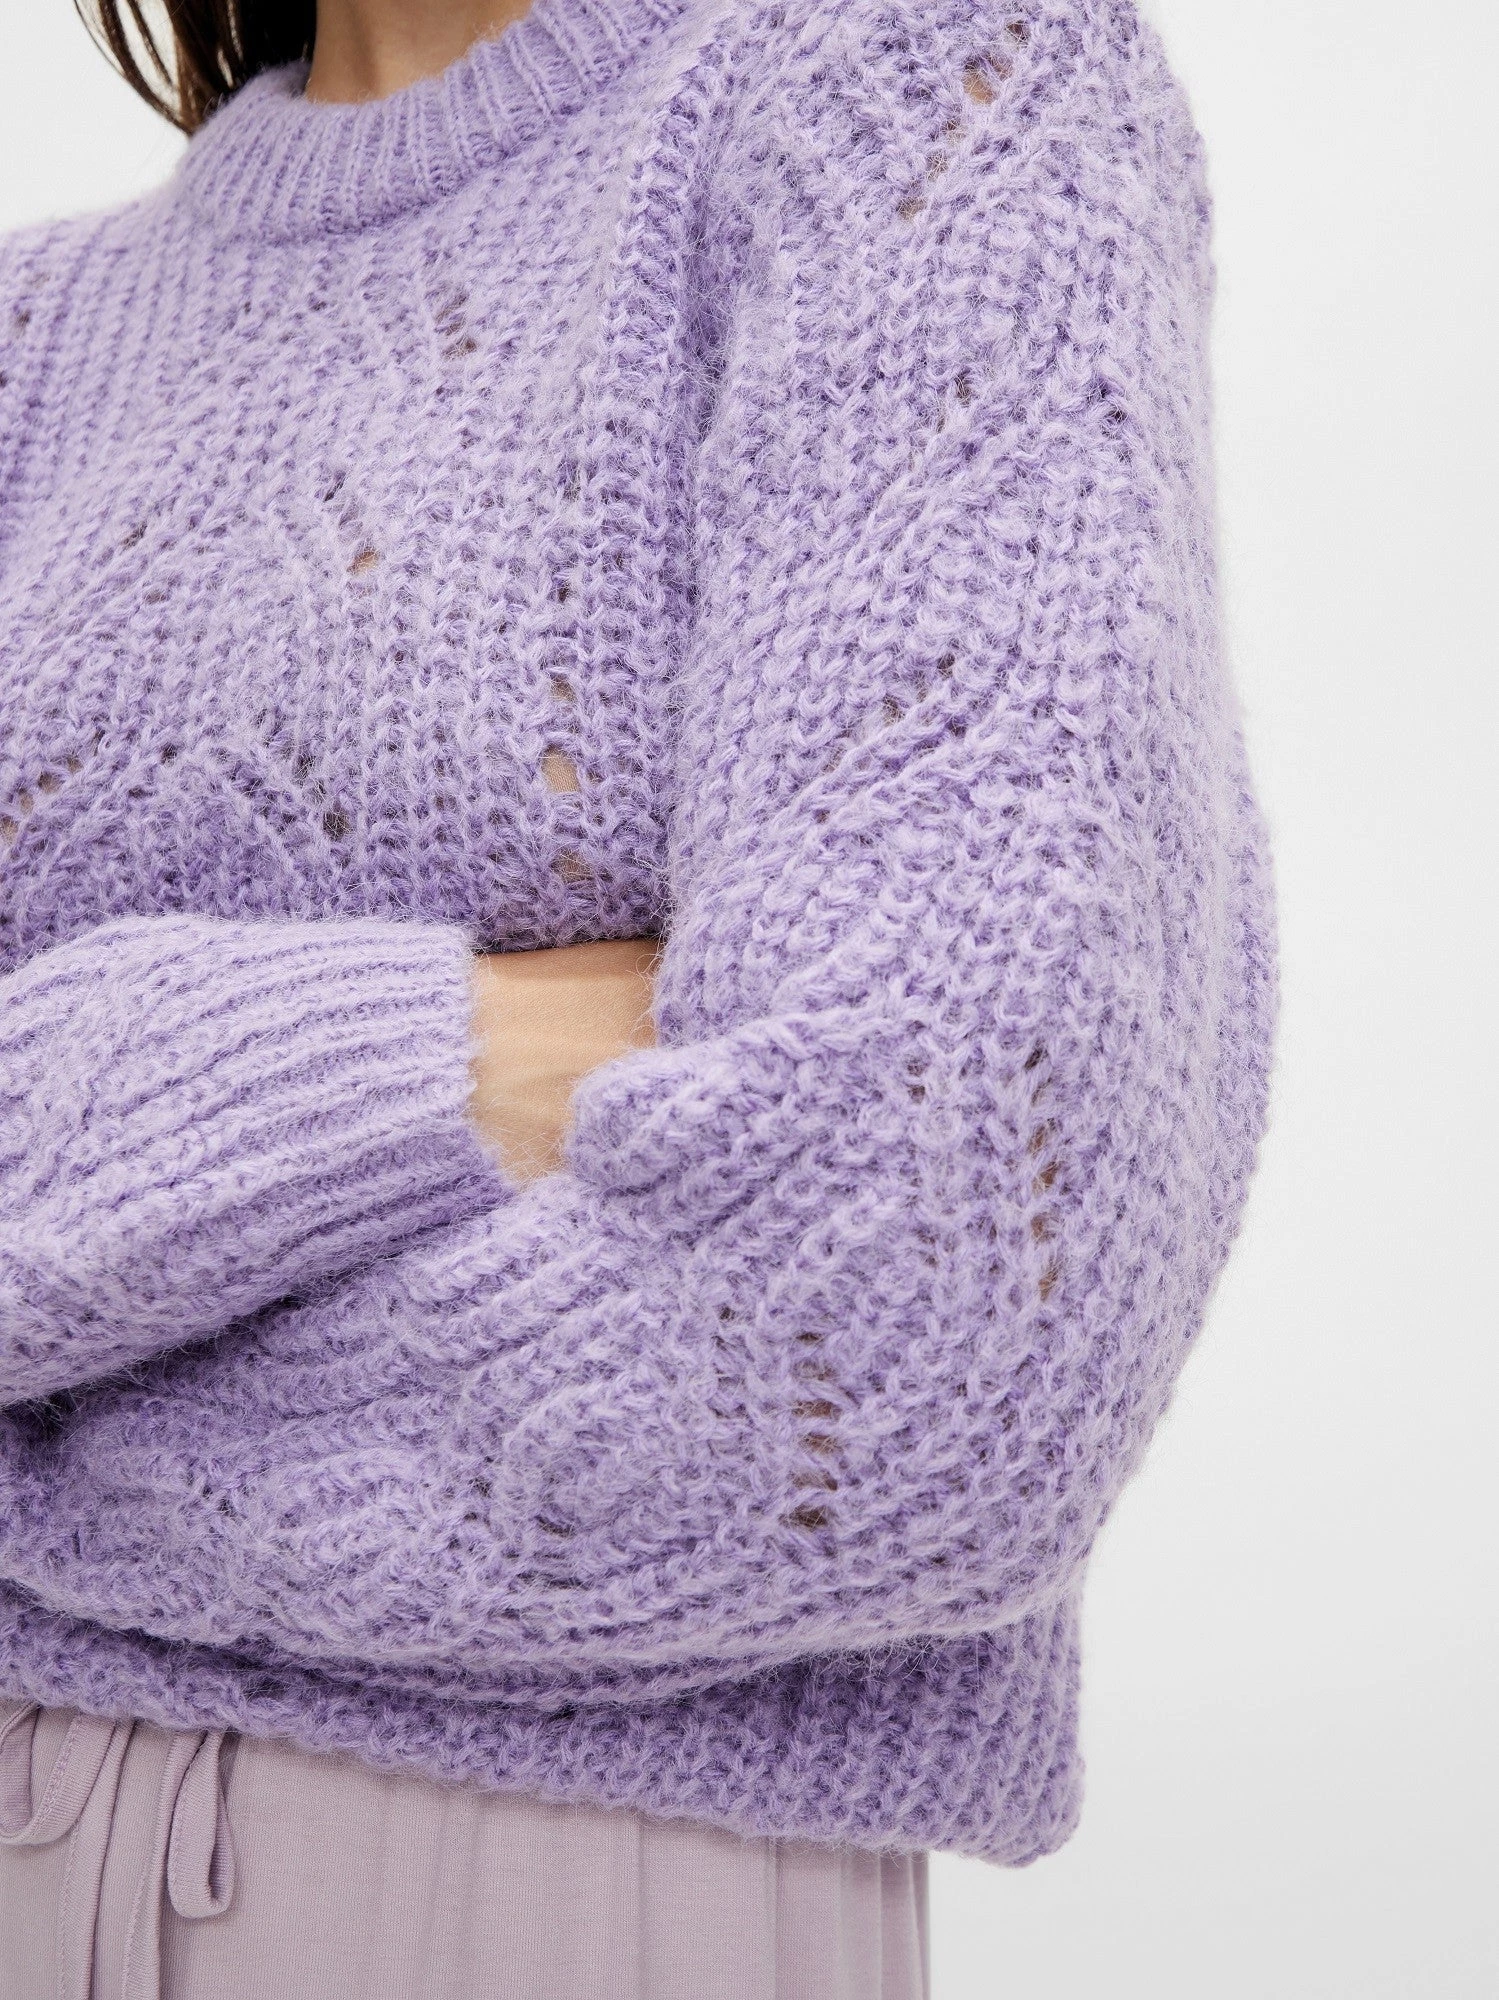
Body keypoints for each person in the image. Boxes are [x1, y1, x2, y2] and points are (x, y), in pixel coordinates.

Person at [0, 0, 1277, 1992]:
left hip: (541, 1884)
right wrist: (421, 1060)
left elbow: (920, 1344)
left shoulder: (922, 93)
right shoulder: (32, 330)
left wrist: (55, 1428)